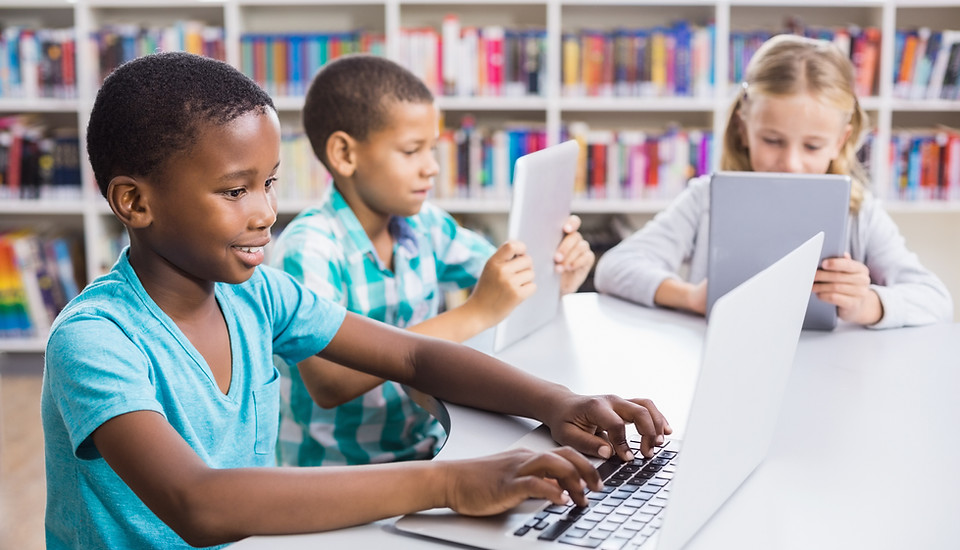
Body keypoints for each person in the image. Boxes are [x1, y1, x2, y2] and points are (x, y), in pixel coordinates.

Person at [40, 52, 669, 550]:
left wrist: (559, 403)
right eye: (235, 191)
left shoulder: (257, 294)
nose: (265, 212)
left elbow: (416, 360)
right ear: (135, 202)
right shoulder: (96, 338)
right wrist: (448, 482)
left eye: (269, 183)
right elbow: (197, 504)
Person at [269, 54, 595, 466]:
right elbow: (330, 383)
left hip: (426, 450)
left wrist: (552, 274)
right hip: (337, 474)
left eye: (433, 149)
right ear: (344, 155)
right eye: (411, 151)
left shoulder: (426, 225)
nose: (432, 168)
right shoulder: (309, 248)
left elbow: (499, 278)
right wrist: (476, 312)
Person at [594, 34, 952, 329]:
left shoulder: (859, 213)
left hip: (834, 371)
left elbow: (935, 299)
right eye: (772, 140)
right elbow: (614, 268)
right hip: (726, 360)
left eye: (812, 145)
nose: (790, 163)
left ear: (840, 141)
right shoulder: (707, 199)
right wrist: (690, 297)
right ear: (743, 128)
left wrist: (866, 304)